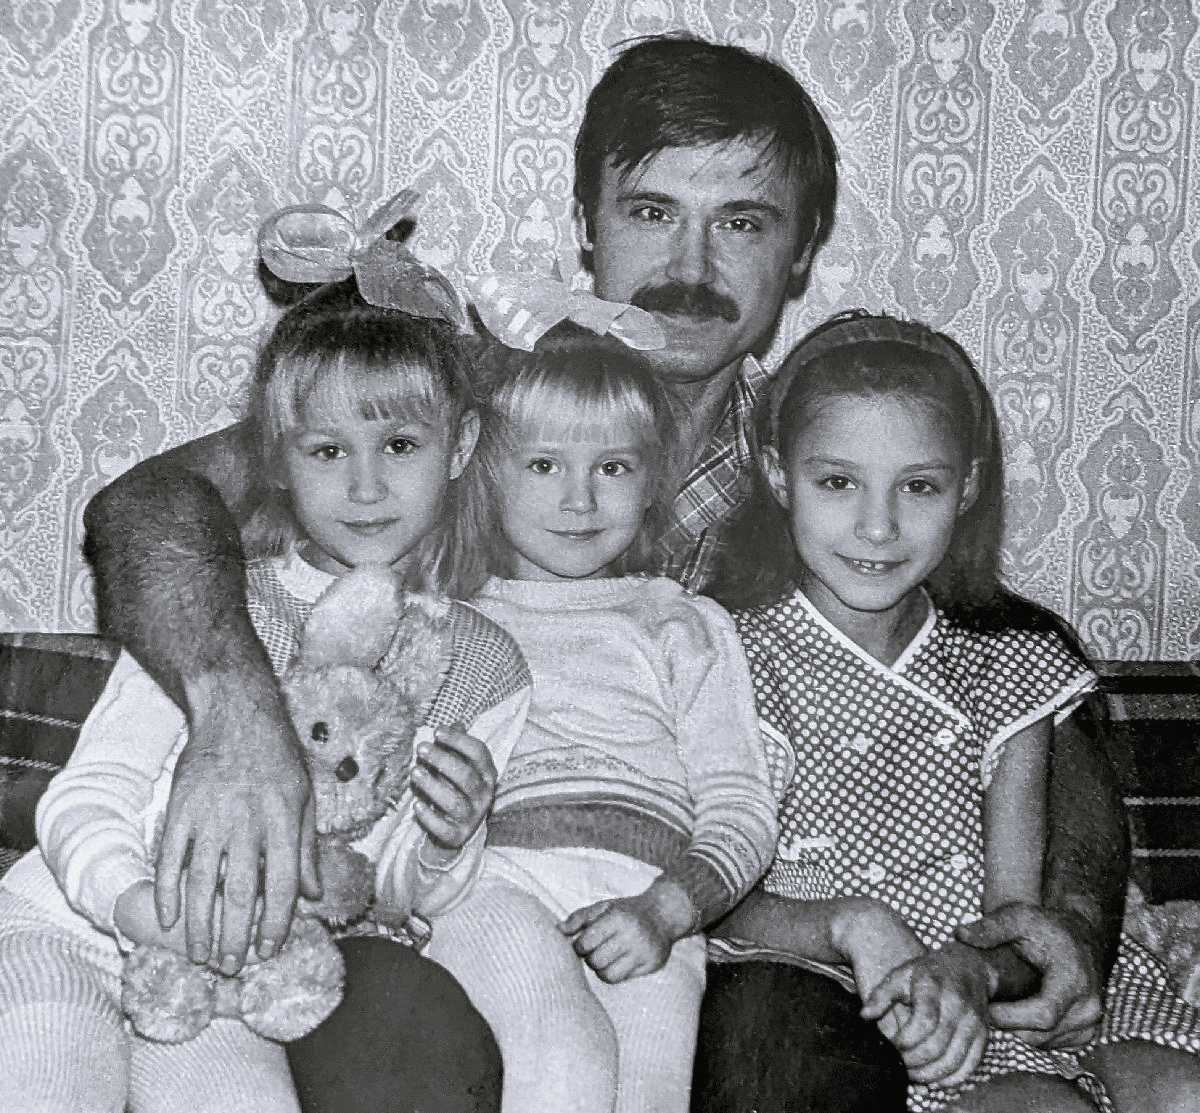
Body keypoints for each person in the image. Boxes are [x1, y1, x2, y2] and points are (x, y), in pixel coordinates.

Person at [82, 34, 1128, 1110]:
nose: (691, 266)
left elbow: (1017, 659)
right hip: (433, 902)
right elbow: (149, 505)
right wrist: (235, 710)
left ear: (803, 250)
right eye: (651, 212)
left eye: (742, 222)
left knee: (774, 1036)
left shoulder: (824, 464)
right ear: (587, 224)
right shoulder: (463, 405)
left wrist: (1076, 919)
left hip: (698, 932)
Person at [0, 275, 530, 1113]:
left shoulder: (479, 662)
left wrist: (446, 843)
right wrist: (138, 908)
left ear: (460, 446)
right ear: (276, 458)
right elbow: (84, 798)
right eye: (326, 450)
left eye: (399, 445)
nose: (365, 486)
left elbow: (388, 893)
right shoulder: (212, 608)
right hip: (72, 927)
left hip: (221, 989)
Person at [700, 310, 1200, 1112]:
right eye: (837, 482)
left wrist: (973, 970)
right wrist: (843, 924)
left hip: (995, 986)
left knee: (1180, 1088)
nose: (878, 526)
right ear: (777, 475)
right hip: (852, 1000)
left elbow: (1015, 912)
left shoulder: (1012, 665)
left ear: (966, 486)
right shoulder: (723, 656)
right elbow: (711, 891)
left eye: (919, 486)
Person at [417, 322, 775, 1113]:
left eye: (612, 466)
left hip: (651, 904)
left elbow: (742, 806)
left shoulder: (684, 623)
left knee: (647, 1095)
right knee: (564, 1052)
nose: (579, 500)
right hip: (497, 884)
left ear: (652, 481)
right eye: (543, 464)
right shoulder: (449, 622)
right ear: (484, 470)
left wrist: (669, 909)